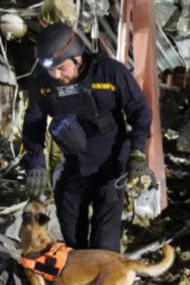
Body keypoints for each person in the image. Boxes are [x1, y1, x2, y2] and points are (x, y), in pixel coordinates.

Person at [22, 23, 153, 252]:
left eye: (61, 68)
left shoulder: (109, 72)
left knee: (103, 241)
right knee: (72, 237)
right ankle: (78, 274)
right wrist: (36, 163)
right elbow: (34, 121)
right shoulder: (43, 82)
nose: (55, 75)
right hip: (74, 163)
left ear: (77, 58)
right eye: (50, 70)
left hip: (111, 163)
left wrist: (137, 153)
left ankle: (106, 272)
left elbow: (140, 112)